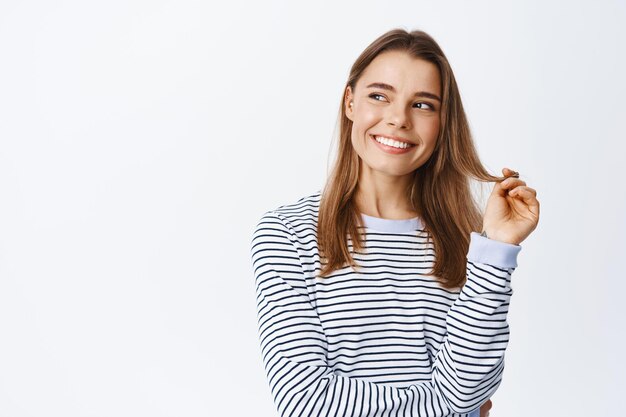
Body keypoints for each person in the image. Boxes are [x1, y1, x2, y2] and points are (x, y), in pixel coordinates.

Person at [250, 28, 539, 417]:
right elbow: (307, 402)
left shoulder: (471, 246)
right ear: (350, 102)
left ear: (442, 122)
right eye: (379, 96)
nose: (398, 119)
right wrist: (448, 405)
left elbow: (471, 386)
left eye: (422, 105)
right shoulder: (287, 234)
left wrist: (499, 246)